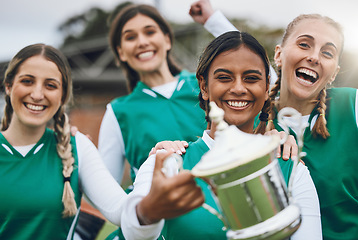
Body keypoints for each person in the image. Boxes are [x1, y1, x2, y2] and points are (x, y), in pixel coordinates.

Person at [120, 31, 322, 240]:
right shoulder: (168, 163)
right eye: (224, 78)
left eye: (251, 78)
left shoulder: (291, 170)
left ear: (266, 88)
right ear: (204, 86)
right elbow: (131, 230)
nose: (238, 88)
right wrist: (147, 211)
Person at [0, 43, 203, 239]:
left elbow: (120, 209)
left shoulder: (77, 146)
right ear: (8, 86)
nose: (37, 94)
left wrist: (150, 172)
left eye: (50, 85)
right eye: (27, 81)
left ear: (62, 96)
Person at [98, 3, 236, 186]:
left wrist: (214, 21)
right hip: (166, 212)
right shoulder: (118, 112)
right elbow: (106, 189)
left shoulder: (206, 85)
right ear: (121, 52)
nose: (142, 42)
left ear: (167, 40)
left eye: (149, 32)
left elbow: (263, 81)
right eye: (130, 37)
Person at [265, 14, 358, 240]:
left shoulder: (352, 106)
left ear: (334, 72)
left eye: (327, 53)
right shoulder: (252, 121)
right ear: (279, 54)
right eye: (304, 44)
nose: (314, 57)